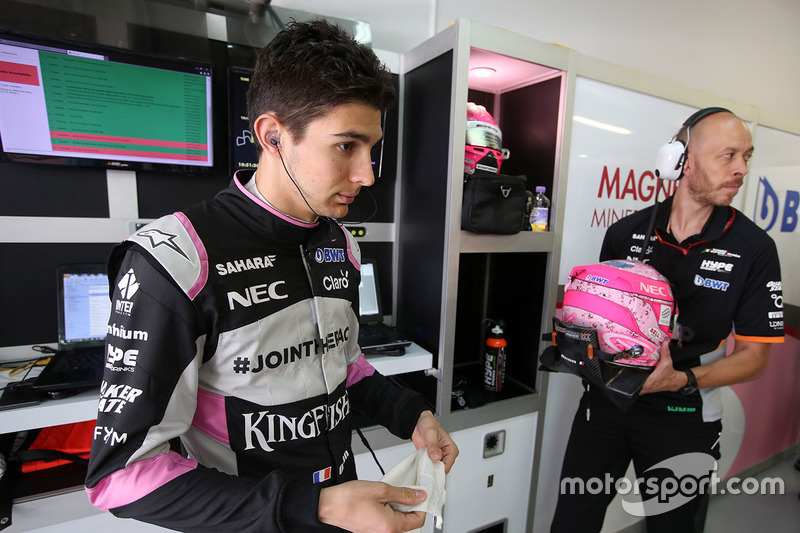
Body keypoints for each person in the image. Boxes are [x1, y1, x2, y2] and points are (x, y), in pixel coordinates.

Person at [85, 19, 458, 532]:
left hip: (344, 512)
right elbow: (121, 478)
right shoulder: (175, 259)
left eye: (372, 148)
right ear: (272, 135)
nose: (368, 174)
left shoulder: (339, 243)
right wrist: (315, 506)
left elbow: (344, 366)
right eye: (346, 146)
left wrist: (411, 414)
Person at [551, 108, 784, 532]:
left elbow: (755, 358)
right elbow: (603, 324)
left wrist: (681, 379)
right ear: (680, 160)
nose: (741, 170)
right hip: (606, 404)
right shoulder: (626, 232)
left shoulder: (755, 249)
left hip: (683, 412)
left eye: (746, 156)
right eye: (727, 155)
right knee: (571, 522)